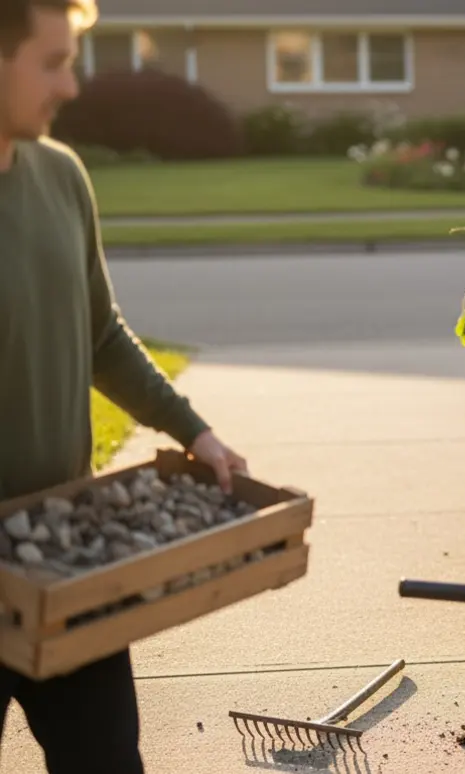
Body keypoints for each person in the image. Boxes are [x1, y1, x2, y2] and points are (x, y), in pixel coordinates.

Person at [0, 0, 247, 771]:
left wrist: (192, 431)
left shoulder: (60, 176)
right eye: (52, 62)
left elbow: (101, 335)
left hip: (66, 552)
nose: (70, 87)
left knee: (107, 759)